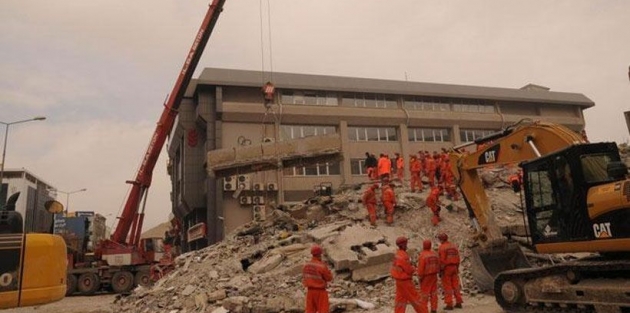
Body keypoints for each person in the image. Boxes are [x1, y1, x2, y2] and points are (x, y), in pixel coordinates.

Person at [391, 236, 425, 313]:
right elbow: (409, 270)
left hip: (398, 281)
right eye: (406, 244)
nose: (407, 245)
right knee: (415, 298)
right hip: (405, 281)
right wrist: (414, 268)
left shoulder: (397, 254)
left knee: (400, 300)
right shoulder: (404, 256)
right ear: (403, 245)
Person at [303, 244, 333, 313]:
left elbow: (305, 277)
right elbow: (329, 278)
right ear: (320, 254)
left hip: (310, 292)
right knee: (323, 310)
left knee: (310, 311)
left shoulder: (306, 265)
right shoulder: (322, 266)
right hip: (320, 292)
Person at [437, 233, 463, 310]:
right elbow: (458, 258)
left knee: (447, 286)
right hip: (454, 267)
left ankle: (449, 304)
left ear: (441, 239)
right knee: (455, 285)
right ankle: (459, 302)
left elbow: (442, 260)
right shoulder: (454, 246)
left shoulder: (442, 248)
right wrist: (457, 268)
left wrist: (440, 270)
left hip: (446, 268)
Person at [417, 239, 440, 313]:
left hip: (426, 277)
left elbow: (421, 267)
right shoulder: (434, 254)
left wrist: (420, 277)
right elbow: (438, 265)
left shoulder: (422, 255)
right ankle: (434, 309)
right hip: (434, 275)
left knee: (424, 294)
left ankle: (424, 309)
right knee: (434, 293)